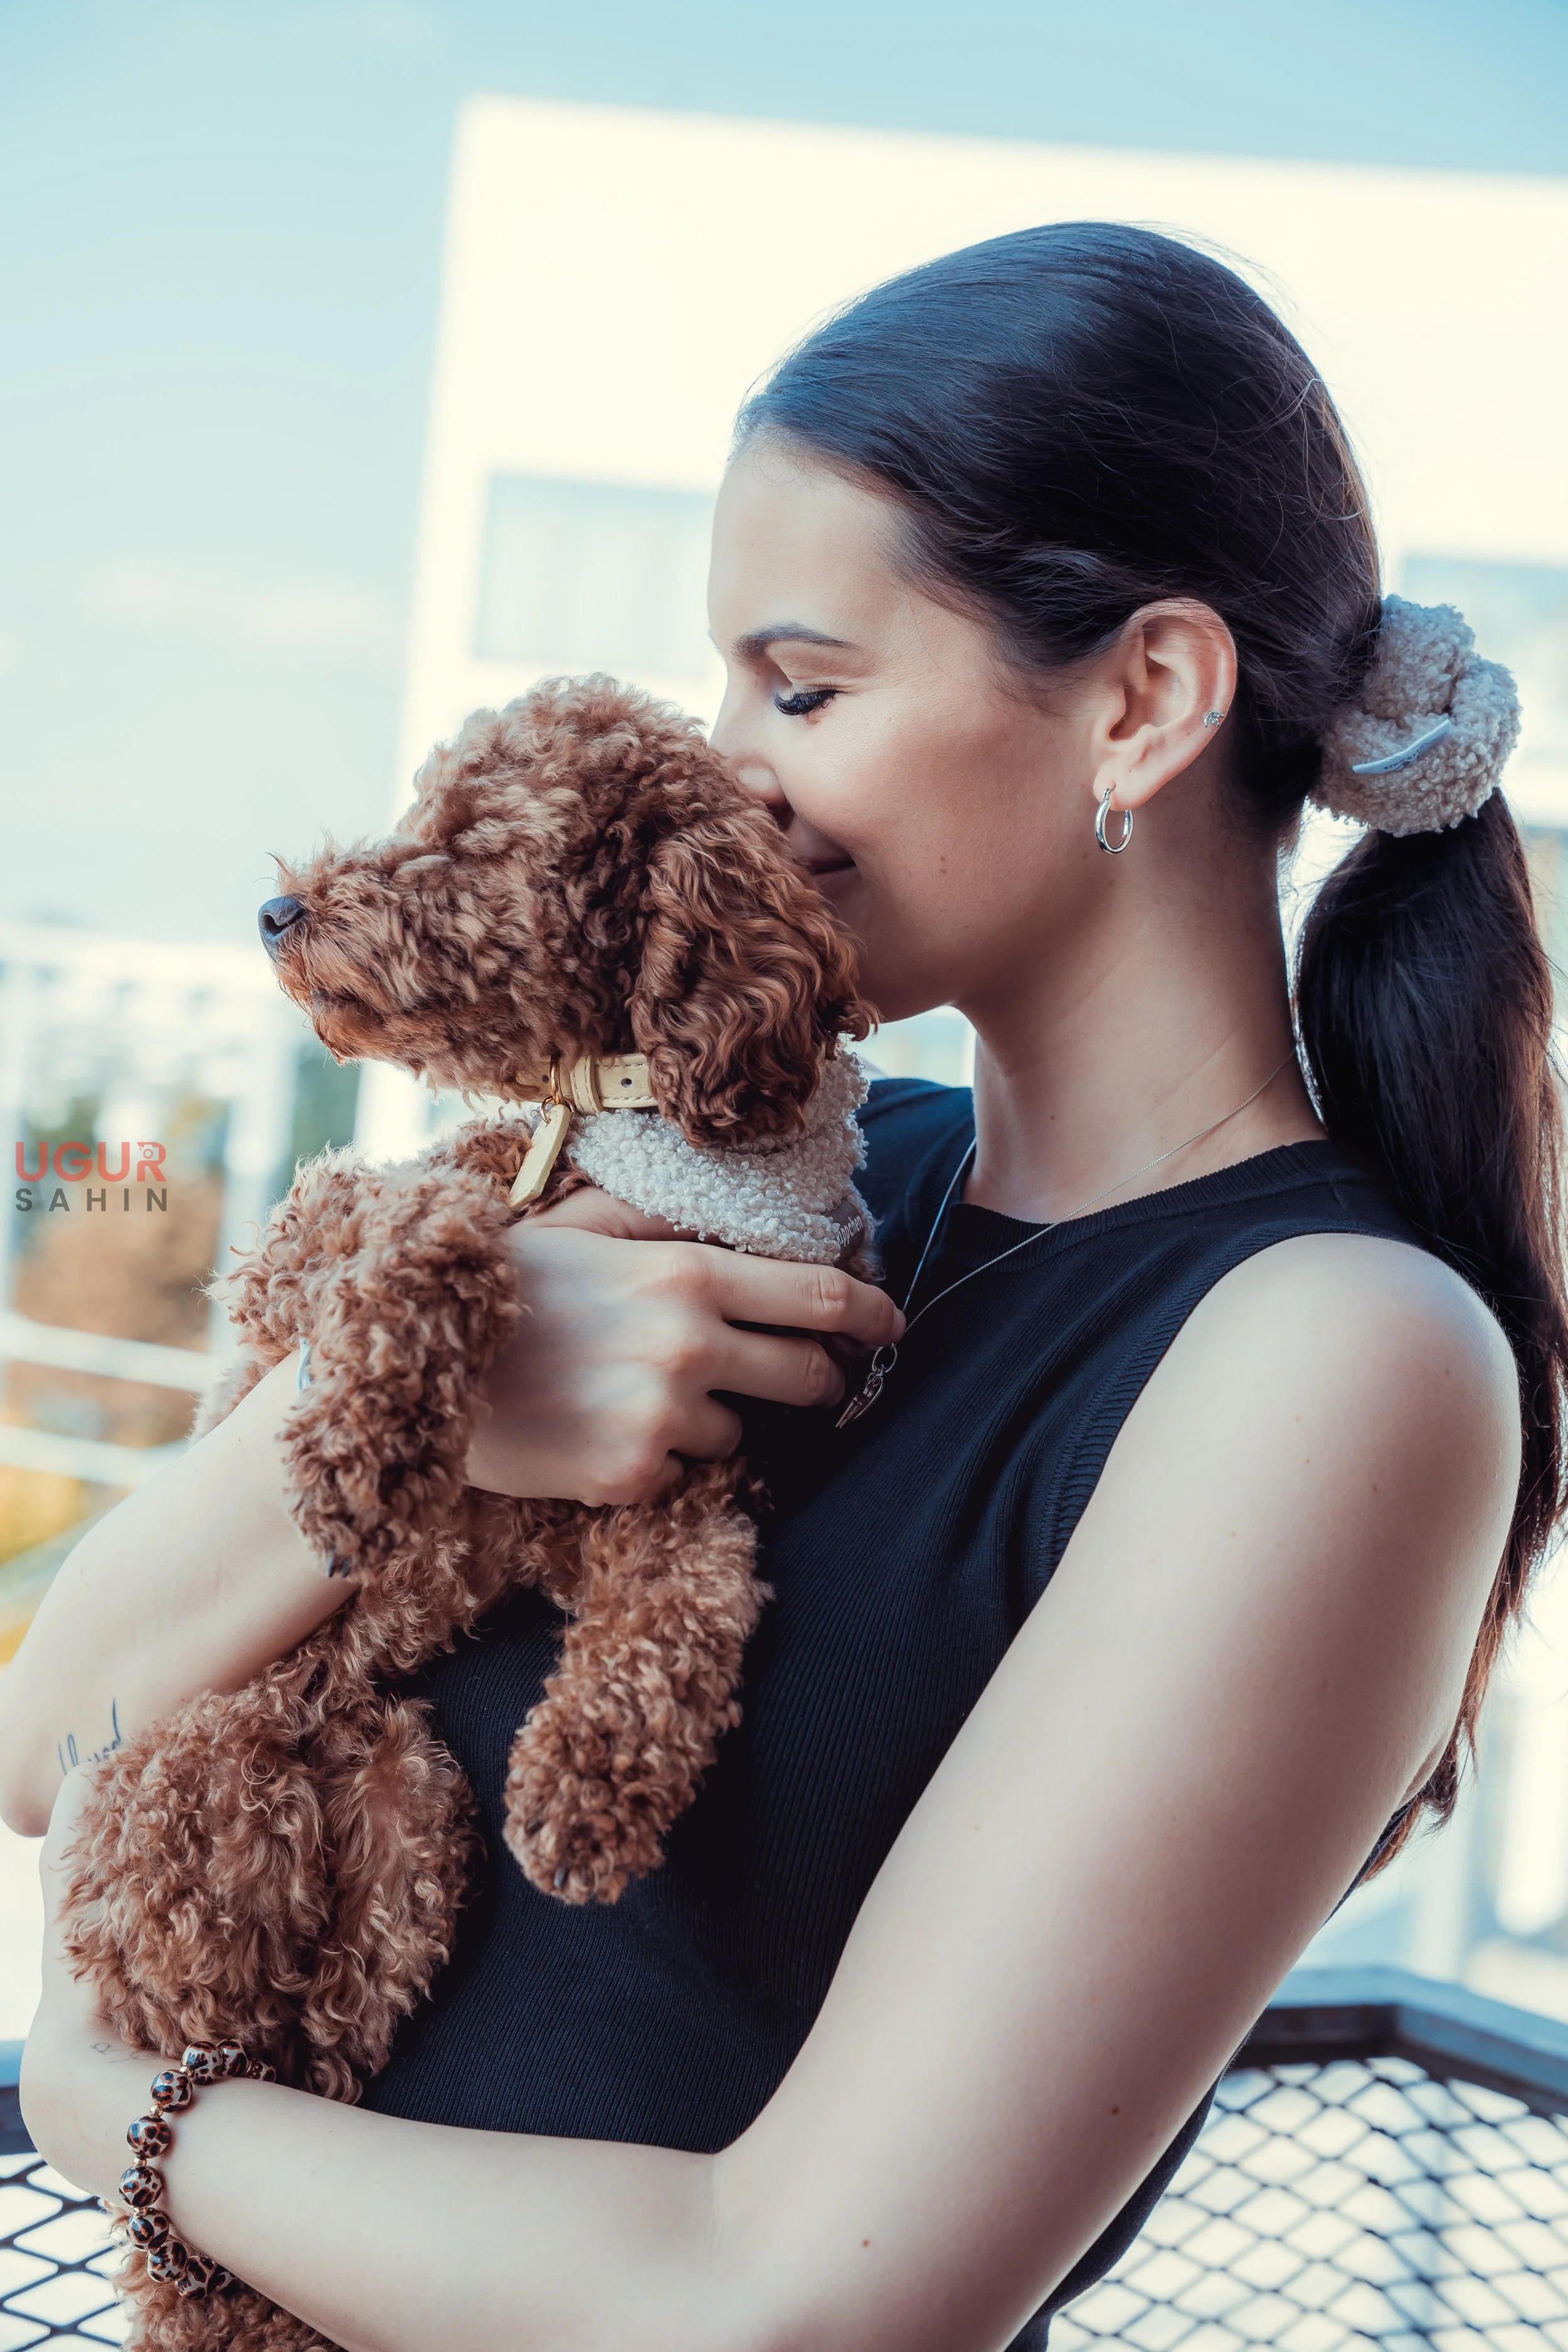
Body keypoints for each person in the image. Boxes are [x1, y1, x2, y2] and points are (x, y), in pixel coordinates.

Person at [3, 221, 1562, 2352]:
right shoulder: (763, 1194)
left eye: (801, 683)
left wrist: (125, 2123)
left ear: (1143, 700)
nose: (721, 760)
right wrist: (434, 1412)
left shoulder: (1333, 1358)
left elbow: (790, 2305)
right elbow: (45, 1731)